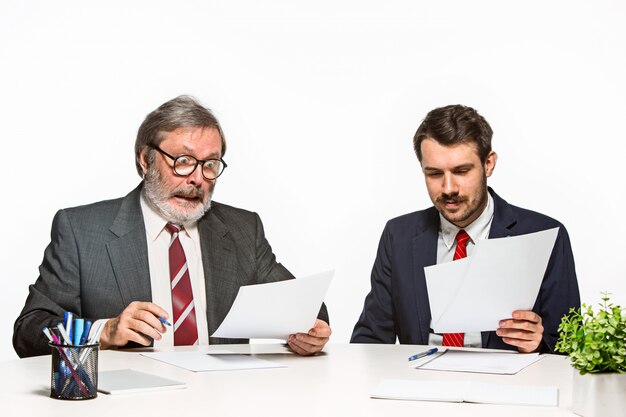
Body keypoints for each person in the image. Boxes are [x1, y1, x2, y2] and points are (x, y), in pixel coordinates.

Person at [14, 95, 330, 358]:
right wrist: (104, 331)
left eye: (209, 164)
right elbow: (30, 331)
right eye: (182, 160)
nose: (196, 178)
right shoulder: (81, 231)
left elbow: (306, 309)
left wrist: (310, 331)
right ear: (145, 160)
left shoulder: (243, 229)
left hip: (221, 402)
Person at [351, 104, 580, 353]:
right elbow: (370, 340)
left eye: (461, 171)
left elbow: (572, 346)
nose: (449, 188)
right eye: (434, 173)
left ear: (489, 164)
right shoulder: (399, 235)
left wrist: (539, 342)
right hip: (420, 386)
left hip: (505, 388)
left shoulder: (543, 235)